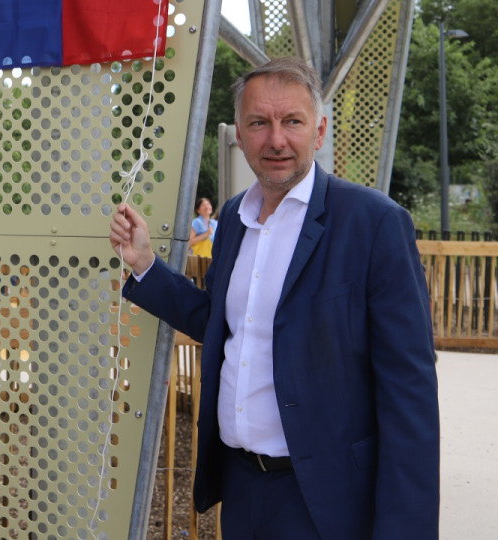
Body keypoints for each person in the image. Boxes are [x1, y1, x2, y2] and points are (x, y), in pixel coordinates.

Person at [109, 57, 438, 539]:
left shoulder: (374, 223)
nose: (276, 140)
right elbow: (225, 323)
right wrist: (145, 265)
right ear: (240, 135)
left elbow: (408, 391)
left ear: (319, 131)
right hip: (242, 490)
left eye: (292, 122)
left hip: (326, 498)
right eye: (259, 123)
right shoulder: (234, 220)